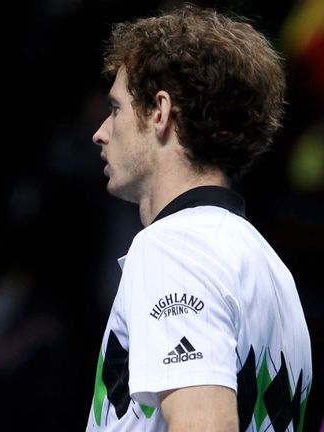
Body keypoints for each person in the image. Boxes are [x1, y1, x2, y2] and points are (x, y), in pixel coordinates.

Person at [87, 5, 312, 431]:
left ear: (160, 112)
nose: (100, 131)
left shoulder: (174, 249)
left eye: (115, 108)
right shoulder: (273, 271)